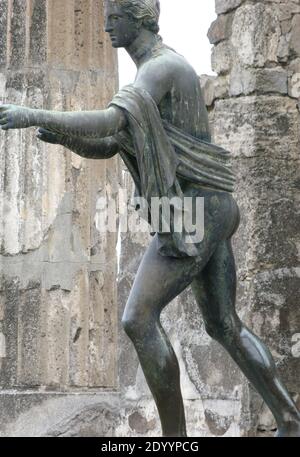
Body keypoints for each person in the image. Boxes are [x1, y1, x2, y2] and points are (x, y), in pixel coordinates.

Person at [0, 0, 299, 438]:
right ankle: (290, 421)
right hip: (210, 206)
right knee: (223, 324)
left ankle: (174, 441)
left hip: (192, 211)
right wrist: (62, 136)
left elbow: (108, 121)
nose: (104, 26)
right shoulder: (151, 74)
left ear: (139, 20)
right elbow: (110, 143)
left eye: (114, 18)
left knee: (137, 318)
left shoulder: (160, 69)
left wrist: (34, 114)